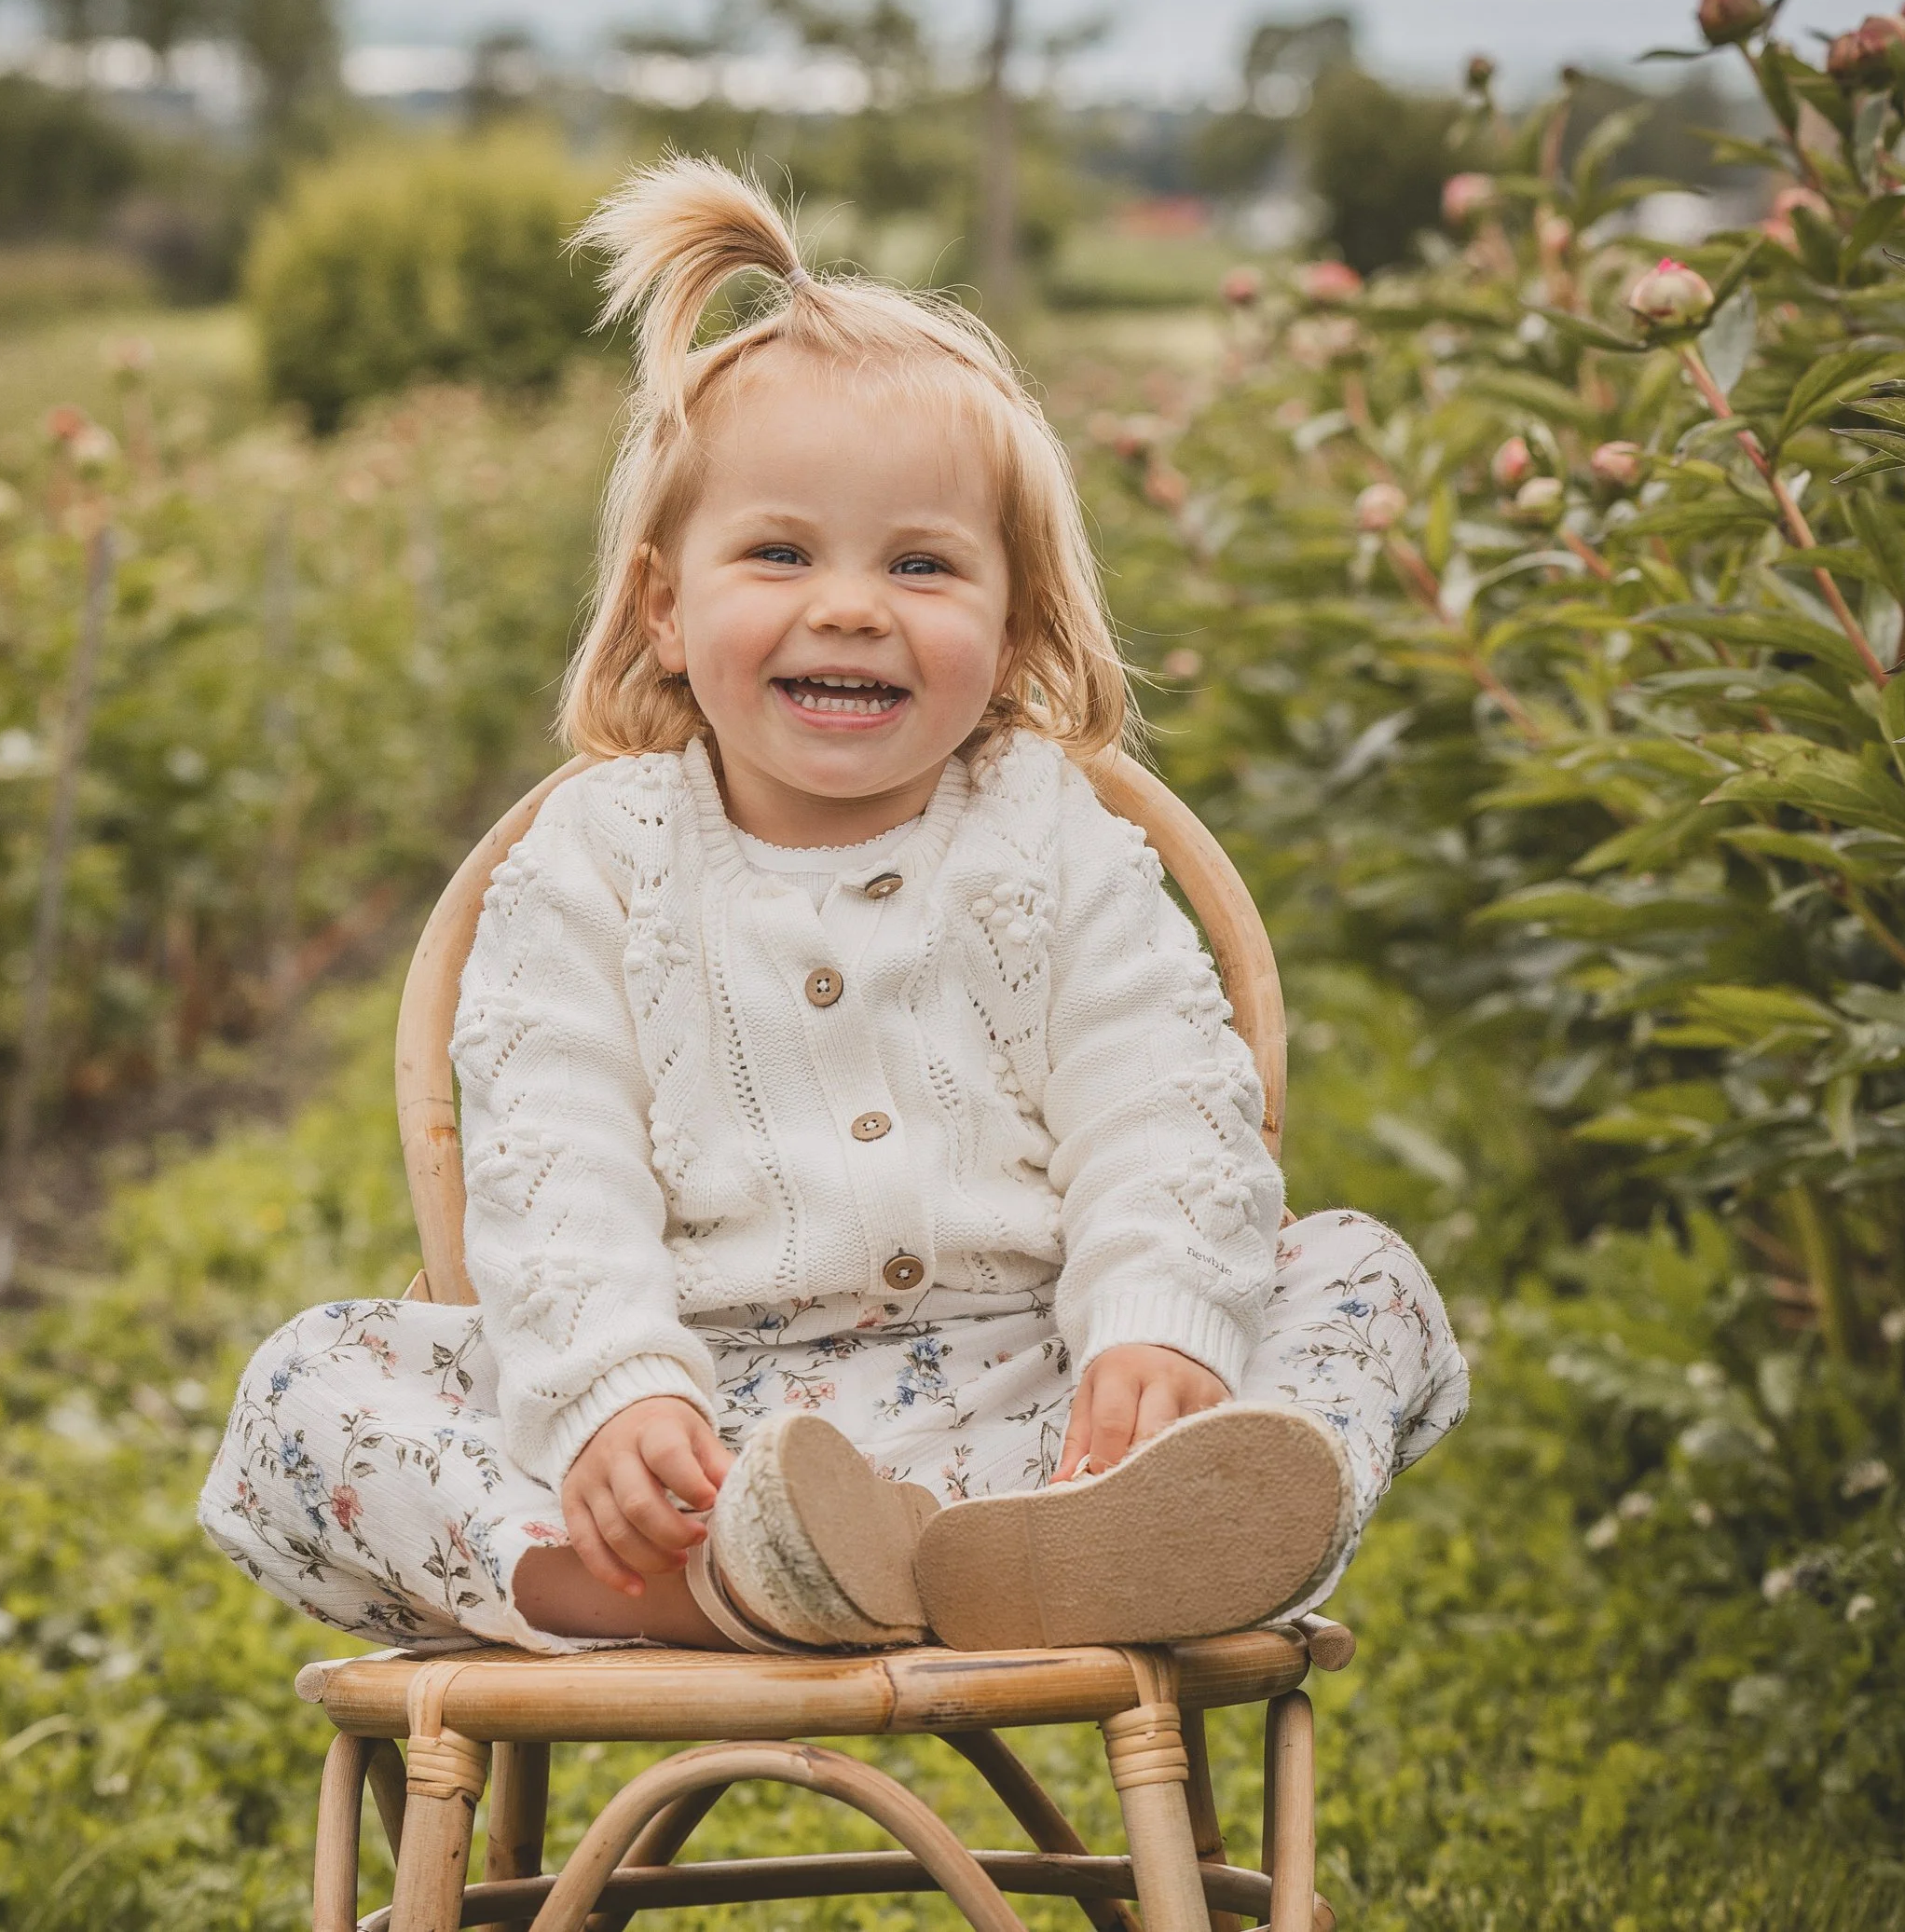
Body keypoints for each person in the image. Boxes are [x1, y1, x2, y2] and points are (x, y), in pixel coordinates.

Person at [198, 157, 1468, 1656]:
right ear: (668, 609)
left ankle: (1119, 1546)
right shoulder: (597, 857)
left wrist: (1152, 1322)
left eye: (921, 564)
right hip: (706, 1457)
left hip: (1040, 1419)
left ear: (1011, 633)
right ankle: (681, 1589)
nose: (853, 604)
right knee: (316, 1380)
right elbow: (548, 1151)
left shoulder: (1046, 835)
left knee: (1361, 1275)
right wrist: (619, 1390)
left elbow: (1166, 1089)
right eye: (782, 553)